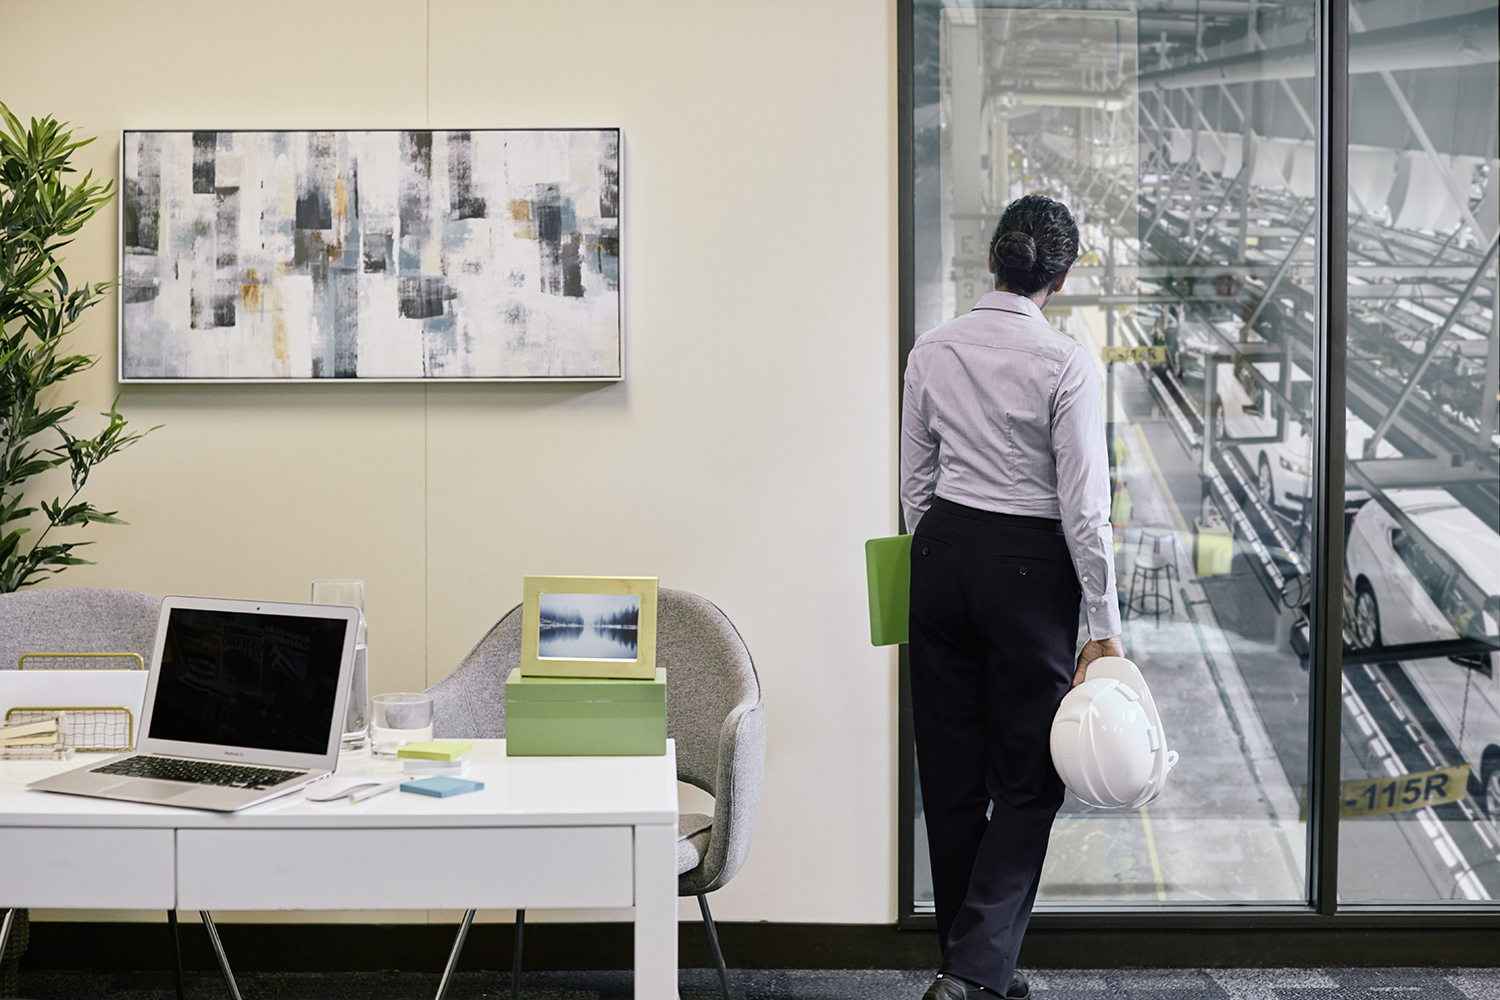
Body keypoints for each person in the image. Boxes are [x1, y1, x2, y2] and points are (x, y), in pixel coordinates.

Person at [901, 195, 1124, 1000]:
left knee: (953, 772)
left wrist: (938, 562)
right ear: (1057, 278)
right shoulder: (1066, 362)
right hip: (1029, 566)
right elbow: (1085, 507)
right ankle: (972, 968)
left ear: (993, 260)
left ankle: (969, 964)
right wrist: (1104, 626)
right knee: (1031, 776)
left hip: (943, 551)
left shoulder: (932, 347)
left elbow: (914, 485)